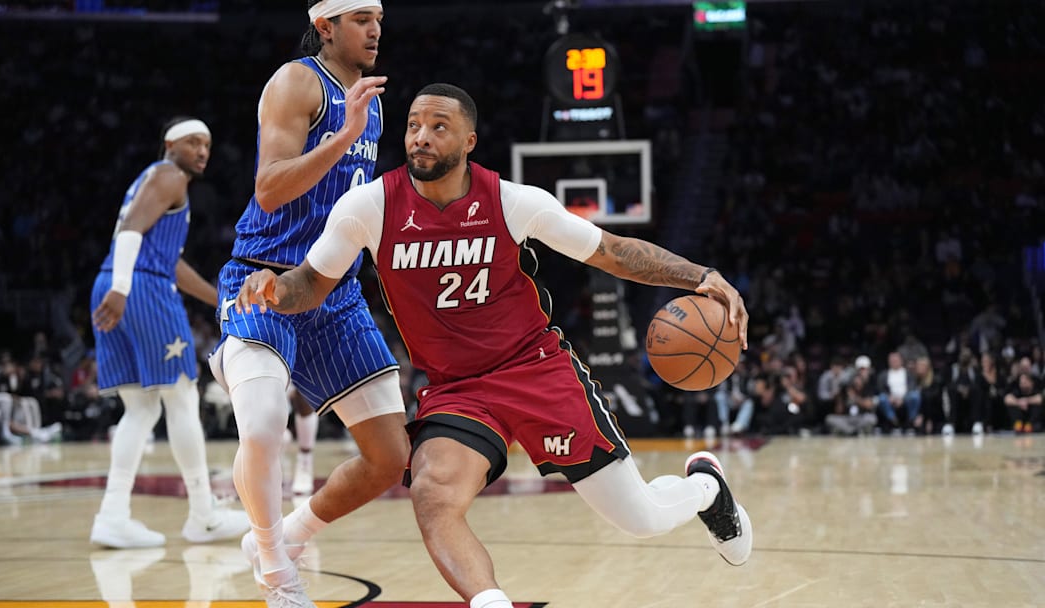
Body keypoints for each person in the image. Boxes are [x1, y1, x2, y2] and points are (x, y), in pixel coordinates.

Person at [234, 83, 754, 608]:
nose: (421, 138)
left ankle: (706, 489)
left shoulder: (512, 202)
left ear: (469, 141)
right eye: (414, 125)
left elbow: (612, 252)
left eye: (439, 128)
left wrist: (700, 276)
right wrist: (274, 289)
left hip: (537, 370)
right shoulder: (368, 207)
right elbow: (310, 283)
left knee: (640, 517)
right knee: (433, 493)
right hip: (457, 390)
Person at [208, 1, 408, 605]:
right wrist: (343, 134)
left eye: (379, 19)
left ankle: (287, 533)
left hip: (334, 291)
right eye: (360, 19)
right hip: (264, 280)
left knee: (390, 457)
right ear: (326, 26)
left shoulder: (368, 100)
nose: (375, 30)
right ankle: (276, 570)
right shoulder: (298, 81)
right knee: (265, 425)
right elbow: (269, 190)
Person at [89, 116, 250, 549]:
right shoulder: (169, 176)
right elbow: (130, 233)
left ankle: (112, 515)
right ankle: (204, 515)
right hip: (139, 288)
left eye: (207, 146)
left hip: (118, 280)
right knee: (181, 395)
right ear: (170, 144)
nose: (202, 152)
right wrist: (124, 289)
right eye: (193, 142)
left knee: (140, 408)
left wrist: (217, 298)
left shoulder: (152, 182)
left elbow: (165, 258)